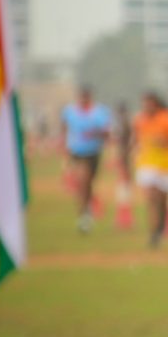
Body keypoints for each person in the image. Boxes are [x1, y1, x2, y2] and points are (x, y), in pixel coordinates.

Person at [132, 92, 168, 248]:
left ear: (156, 104)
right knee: (151, 198)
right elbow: (136, 139)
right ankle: (153, 232)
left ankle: (160, 227)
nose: (146, 107)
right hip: (147, 164)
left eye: (149, 103)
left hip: (166, 165)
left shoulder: (167, 119)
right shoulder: (139, 120)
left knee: (162, 200)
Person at [61, 85, 112, 232]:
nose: (83, 100)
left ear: (90, 97)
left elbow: (106, 133)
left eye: (86, 97)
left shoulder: (99, 112)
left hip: (93, 152)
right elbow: (64, 127)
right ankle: (83, 214)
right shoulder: (69, 112)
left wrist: (96, 133)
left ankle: (87, 209)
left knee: (88, 183)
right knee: (82, 181)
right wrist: (64, 144)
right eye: (81, 97)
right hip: (76, 152)